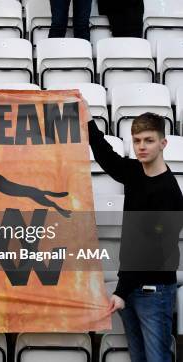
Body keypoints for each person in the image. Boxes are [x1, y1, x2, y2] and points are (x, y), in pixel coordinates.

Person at [89, 113, 183, 362]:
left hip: (154, 291)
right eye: (137, 140)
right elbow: (106, 157)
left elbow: (152, 253)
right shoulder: (135, 172)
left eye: (149, 140)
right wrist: (86, 119)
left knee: (156, 359)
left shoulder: (169, 193)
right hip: (130, 287)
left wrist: (121, 291)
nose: (141, 146)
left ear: (163, 143)